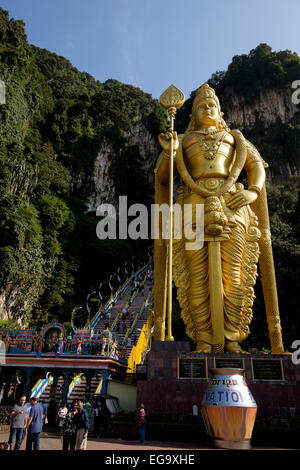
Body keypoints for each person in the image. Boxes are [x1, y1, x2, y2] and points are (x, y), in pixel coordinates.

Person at [154, 82, 280, 354]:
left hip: (232, 203)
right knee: (197, 276)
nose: (207, 108)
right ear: (193, 115)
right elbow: (164, 177)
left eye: (212, 105)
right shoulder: (184, 140)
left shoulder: (235, 138)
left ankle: (232, 337)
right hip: (193, 205)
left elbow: (256, 165)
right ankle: (204, 339)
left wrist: (253, 192)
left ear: (221, 112)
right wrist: (169, 151)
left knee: (232, 274)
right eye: (201, 106)